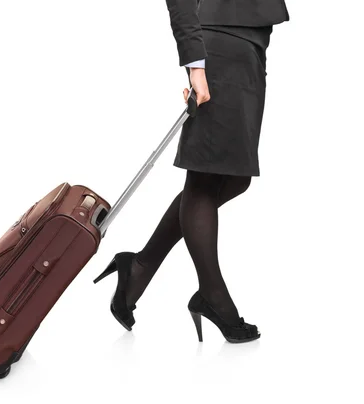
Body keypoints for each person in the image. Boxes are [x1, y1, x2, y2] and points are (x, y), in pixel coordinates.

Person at [93, 0, 290, 343]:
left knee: (234, 178)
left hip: (250, 42)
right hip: (218, 45)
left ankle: (138, 268)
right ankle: (213, 297)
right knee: (204, 177)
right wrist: (196, 65)